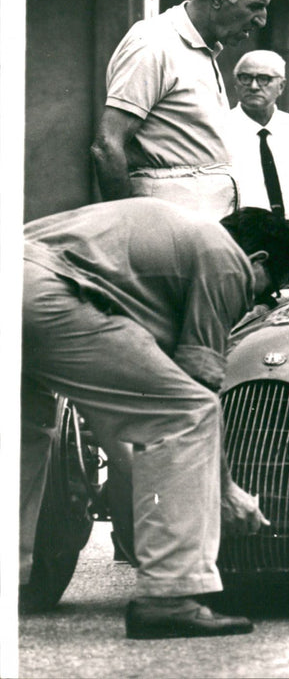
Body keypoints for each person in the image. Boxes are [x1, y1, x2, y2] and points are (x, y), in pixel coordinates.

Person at [20, 198, 272, 638]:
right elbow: (197, 393)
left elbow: (116, 407)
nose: (249, 308)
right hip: (46, 292)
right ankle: (170, 597)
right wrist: (226, 491)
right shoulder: (227, 260)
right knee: (186, 412)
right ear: (257, 261)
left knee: (21, 434)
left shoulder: (160, 242)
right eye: (262, 295)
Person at [90, 0, 272, 221]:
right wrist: (130, 228)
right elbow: (107, 146)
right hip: (166, 228)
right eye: (255, 6)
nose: (262, 20)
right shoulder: (154, 43)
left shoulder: (204, 50)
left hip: (201, 230)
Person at [226, 49, 289, 283]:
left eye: (264, 79)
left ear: (281, 86)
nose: (253, 86)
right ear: (235, 84)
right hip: (244, 241)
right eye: (245, 78)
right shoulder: (219, 130)